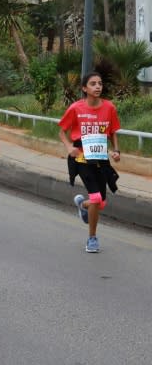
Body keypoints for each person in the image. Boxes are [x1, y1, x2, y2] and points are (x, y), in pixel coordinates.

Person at [57, 72, 121, 253]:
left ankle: (82, 205)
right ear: (84, 88)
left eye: (100, 83)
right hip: (81, 159)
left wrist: (116, 150)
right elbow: (62, 131)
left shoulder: (109, 108)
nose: (98, 87)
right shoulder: (76, 108)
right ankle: (92, 238)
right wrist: (69, 147)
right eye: (93, 84)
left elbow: (113, 131)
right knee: (96, 198)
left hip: (101, 159)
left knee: (100, 203)